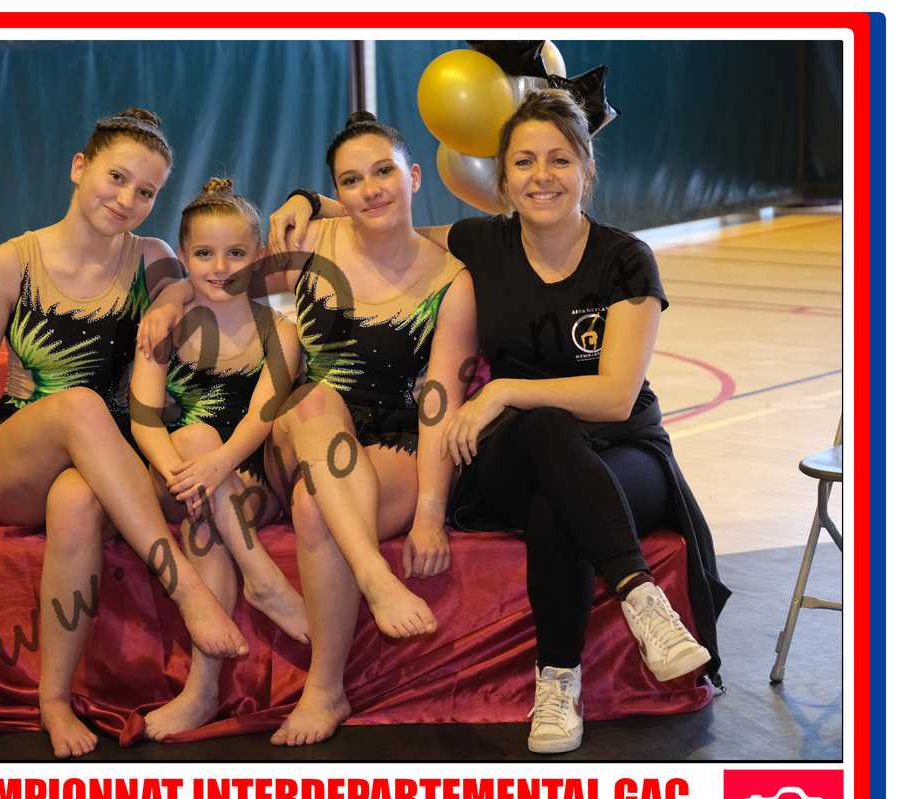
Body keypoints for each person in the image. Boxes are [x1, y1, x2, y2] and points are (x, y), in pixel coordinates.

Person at [270, 89, 728, 754]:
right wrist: (305, 200)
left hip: (623, 452)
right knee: (546, 431)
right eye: (524, 162)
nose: (542, 176)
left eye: (559, 160)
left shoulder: (625, 257)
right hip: (523, 447)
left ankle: (566, 673)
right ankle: (632, 599)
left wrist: (504, 390)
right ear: (503, 179)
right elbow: (382, 212)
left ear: (587, 168)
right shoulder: (482, 243)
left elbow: (615, 396)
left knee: (555, 496)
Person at [0, 109, 248, 759]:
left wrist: (172, 301)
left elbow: (187, 290)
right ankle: (186, 589)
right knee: (78, 406)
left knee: (77, 499)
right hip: (20, 453)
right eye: (116, 178)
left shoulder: (153, 258)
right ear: (79, 166)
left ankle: (53, 699)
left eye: (146, 191)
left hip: (106, 459)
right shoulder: (13, 261)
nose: (127, 199)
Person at [247, 112, 476, 746]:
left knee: (313, 506)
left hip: (390, 443)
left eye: (383, 172)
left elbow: (440, 402)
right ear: (336, 194)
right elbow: (220, 279)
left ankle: (325, 690)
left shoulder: (451, 281)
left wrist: (430, 514)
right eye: (351, 181)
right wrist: (172, 299)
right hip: (302, 431)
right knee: (314, 400)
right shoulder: (312, 243)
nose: (370, 190)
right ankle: (376, 578)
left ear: (414, 176)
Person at [128, 176, 309, 740]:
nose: (220, 266)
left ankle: (202, 691)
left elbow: (262, 415)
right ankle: (261, 578)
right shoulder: (164, 325)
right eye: (204, 254)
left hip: (249, 476)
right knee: (193, 441)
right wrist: (182, 473)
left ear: (259, 255)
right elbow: (143, 418)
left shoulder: (279, 329)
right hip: (175, 472)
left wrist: (216, 465)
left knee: (203, 509)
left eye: (236, 253)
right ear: (183, 257)